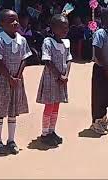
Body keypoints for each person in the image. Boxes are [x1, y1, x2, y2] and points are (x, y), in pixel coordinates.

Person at [0, 9, 32, 154]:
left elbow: (24, 59)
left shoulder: (22, 40)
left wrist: (17, 77)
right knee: (0, 110)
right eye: (10, 21)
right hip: (2, 81)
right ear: (2, 24)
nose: (15, 23)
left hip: (16, 80)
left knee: (12, 111)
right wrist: (10, 78)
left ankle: (11, 140)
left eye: (16, 19)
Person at [36, 14, 72, 145]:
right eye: (62, 27)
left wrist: (66, 75)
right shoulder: (48, 41)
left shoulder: (66, 43)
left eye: (67, 27)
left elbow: (68, 59)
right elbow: (47, 61)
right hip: (51, 78)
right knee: (49, 105)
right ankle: (45, 133)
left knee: (57, 104)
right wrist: (59, 75)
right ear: (53, 28)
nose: (65, 30)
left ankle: (52, 130)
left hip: (62, 79)